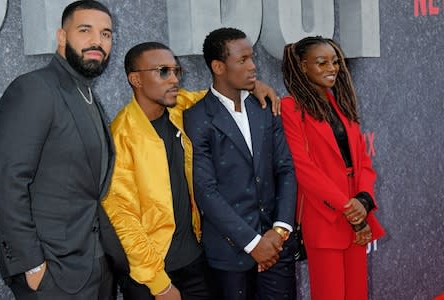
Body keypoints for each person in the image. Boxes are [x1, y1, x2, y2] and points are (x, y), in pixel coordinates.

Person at [102, 41, 281, 300]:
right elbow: (124, 220)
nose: (174, 79)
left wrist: (253, 85)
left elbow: (214, 96)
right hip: (152, 274)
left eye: (177, 71)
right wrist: (160, 284)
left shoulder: (178, 109)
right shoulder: (121, 136)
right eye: (163, 71)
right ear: (136, 80)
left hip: (195, 262)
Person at [0, 1, 128, 299]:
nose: (97, 42)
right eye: (85, 30)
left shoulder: (86, 93)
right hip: (54, 272)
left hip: (96, 264)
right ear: (62, 37)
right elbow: (6, 183)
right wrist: (33, 266)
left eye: (106, 34)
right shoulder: (35, 89)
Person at [184, 27, 298, 300]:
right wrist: (253, 243)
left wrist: (279, 231)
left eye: (252, 57)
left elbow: (285, 170)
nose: (253, 66)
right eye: (242, 60)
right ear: (218, 66)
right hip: (229, 254)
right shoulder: (197, 117)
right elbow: (206, 192)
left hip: (277, 246)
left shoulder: (265, 107)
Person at [280, 36, 385, 300]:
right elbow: (303, 168)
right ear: (303, 66)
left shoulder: (340, 103)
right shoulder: (291, 108)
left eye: (335, 61)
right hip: (325, 214)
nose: (332, 68)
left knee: (357, 293)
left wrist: (363, 199)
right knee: (331, 294)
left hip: (356, 210)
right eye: (322, 62)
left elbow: (362, 160)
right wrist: (350, 209)